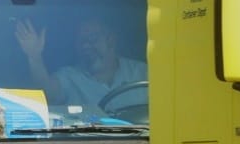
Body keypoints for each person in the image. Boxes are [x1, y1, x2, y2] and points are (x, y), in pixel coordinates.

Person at [14, 16, 145, 114]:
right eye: (81, 41)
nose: (86, 46)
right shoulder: (70, 77)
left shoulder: (143, 73)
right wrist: (34, 56)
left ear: (111, 39)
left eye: (92, 38)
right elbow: (46, 93)